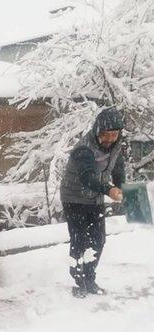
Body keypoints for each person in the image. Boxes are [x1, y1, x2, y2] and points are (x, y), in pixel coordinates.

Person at [60, 107, 125, 297]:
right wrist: (108, 190)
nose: (110, 139)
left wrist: (120, 185)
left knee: (98, 240)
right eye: (106, 134)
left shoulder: (115, 146)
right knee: (80, 240)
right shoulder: (84, 148)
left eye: (114, 135)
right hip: (74, 197)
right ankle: (79, 281)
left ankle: (90, 278)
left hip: (94, 197)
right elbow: (87, 177)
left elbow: (119, 168)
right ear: (98, 131)